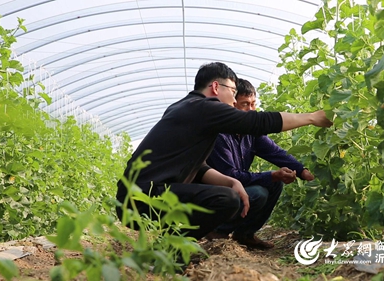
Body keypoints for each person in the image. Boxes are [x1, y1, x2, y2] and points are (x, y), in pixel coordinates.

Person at [115, 62, 333, 243]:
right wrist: (312, 117)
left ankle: (175, 243)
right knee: (226, 200)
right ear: (216, 87)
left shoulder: (186, 109)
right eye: (233, 91)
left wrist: (231, 182)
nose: (233, 98)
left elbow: (198, 167)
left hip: (137, 196)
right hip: (142, 199)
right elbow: (258, 122)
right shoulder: (203, 108)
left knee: (229, 192)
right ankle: (174, 248)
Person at [205, 79, 315, 249]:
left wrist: (302, 170)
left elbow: (275, 152)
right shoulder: (219, 134)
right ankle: (217, 230)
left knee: (273, 184)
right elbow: (230, 176)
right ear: (232, 105)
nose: (251, 110)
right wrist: (271, 175)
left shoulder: (251, 132)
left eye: (253, 104)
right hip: (216, 193)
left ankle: (245, 234)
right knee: (258, 193)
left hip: (234, 189)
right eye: (245, 104)